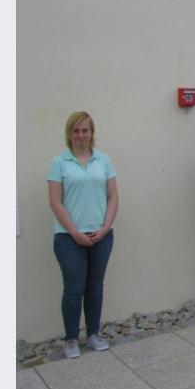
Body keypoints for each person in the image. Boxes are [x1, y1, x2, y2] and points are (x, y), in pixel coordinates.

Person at [47, 111, 119, 358]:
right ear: (70, 134)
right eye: (76, 131)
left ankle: (93, 334)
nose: (81, 135)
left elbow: (113, 197)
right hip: (69, 238)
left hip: (101, 235)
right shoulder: (59, 163)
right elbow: (55, 202)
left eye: (85, 130)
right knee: (73, 289)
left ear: (92, 133)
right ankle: (70, 339)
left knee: (95, 286)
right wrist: (75, 232)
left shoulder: (103, 160)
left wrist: (106, 226)